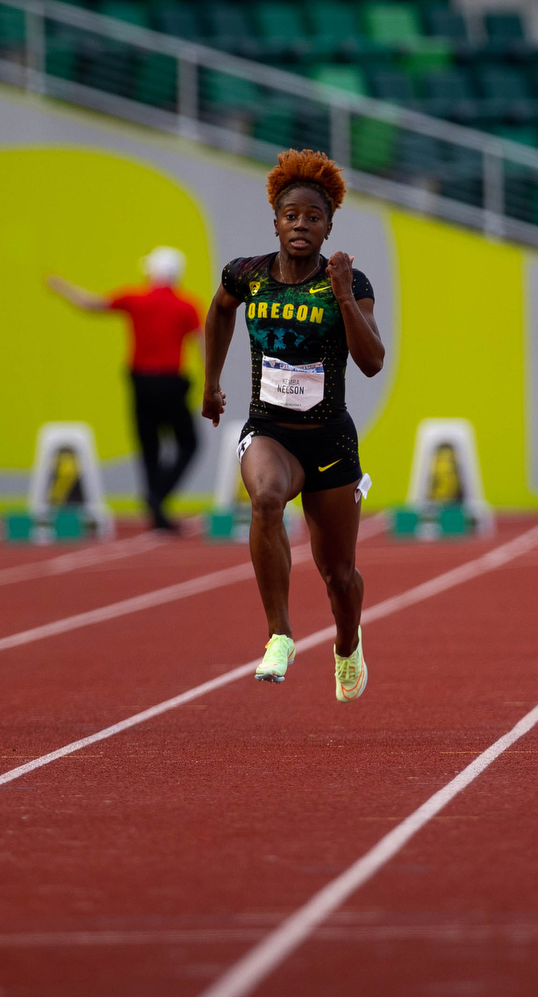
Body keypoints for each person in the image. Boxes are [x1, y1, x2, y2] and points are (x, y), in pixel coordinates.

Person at [202, 149, 385, 702]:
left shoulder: (348, 282)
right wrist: (211, 383)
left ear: (329, 227)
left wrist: (346, 295)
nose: (301, 225)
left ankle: (347, 644)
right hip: (271, 432)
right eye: (291, 216)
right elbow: (219, 310)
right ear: (275, 221)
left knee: (340, 577)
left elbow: (373, 361)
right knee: (265, 500)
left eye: (313, 217)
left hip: (329, 439)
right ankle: (279, 634)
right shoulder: (247, 274)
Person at [46, 246, 204, 531]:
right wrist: (212, 381)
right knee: (189, 442)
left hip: (141, 381)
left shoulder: (136, 298)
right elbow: (202, 343)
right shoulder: (186, 305)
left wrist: (61, 287)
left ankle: (155, 502)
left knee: (149, 445)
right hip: (171, 382)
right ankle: (159, 498)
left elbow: (91, 304)